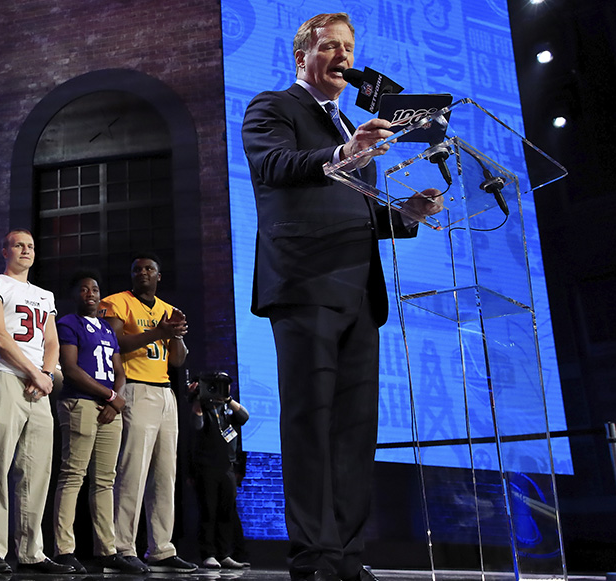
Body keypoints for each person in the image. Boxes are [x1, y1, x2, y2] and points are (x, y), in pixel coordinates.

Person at [240, 13, 441, 581]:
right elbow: (274, 166)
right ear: (303, 55)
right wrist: (344, 154)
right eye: (331, 46)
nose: (344, 58)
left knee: (355, 432)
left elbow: (354, 210)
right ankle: (316, 558)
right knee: (310, 424)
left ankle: (349, 557)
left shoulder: (348, 124)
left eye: (349, 48)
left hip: (359, 292)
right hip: (305, 285)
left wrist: (404, 214)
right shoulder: (273, 106)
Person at [0, 229, 71, 575]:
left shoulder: (45, 295)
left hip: (38, 385)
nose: (26, 250)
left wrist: (45, 374)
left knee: (36, 470)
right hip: (6, 376)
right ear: (6, 251)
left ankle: (32, 552)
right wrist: (34, 372)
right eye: (19, 245)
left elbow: (52, 342)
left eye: (30, 246)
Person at [100, 253, 196, 573]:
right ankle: (122, 547)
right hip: (135, 389)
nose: (143, 273)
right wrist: (158, 332)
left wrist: (176, 335)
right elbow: (113, 342)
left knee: (165, 474)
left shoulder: (168, 309)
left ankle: (161, 548)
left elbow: (177, 360)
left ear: (159, 276)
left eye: (149, 269)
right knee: (132, 471)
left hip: (165, 391)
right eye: (137, 269)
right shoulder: (118, 302)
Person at [50, 272, 145, 575]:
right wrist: (110, 396)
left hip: (108, 408)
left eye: (94, 289)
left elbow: (119, 370)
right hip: (80, 403)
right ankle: (64, 549)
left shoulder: (106, 328)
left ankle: (107, 549)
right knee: (73, 475)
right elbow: (70, 368)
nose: (90, 293)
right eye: (83, 289)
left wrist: (115, 400)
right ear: (74, 295)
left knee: (105, 480)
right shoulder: (68, 323)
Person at [188, 373, 251, 570]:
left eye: (224, 385)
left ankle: (224, 554)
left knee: (227, 512)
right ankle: (208, 554)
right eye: (216, 385)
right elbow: (197, 425)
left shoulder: (227, 409)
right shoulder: (204, 407)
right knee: (209, 511)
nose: (219, 389)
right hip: (207, 467)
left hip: (227, 468)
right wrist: (198, 399)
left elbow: (245, 417)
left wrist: (228, 399)